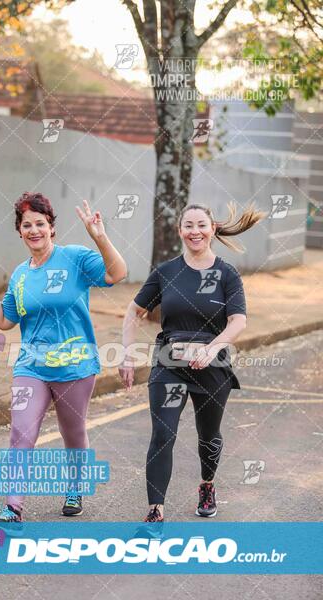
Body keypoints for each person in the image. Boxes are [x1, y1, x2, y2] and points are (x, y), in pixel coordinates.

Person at [0, 192, 127, 525]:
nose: (34, 230)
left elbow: (117, 273)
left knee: (73, 433)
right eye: (27, 225)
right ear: (19, 231)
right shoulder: (20, 275)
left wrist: (101, 238)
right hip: (31, 366)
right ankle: (13, 507)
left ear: (51, 228)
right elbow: (5, 320)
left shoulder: (76, 259)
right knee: (21, 433)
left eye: (40, 223)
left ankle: (75, 487)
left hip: (74, 366)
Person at [119, 201, 266, 522]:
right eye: (189, 226)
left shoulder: (227, 274)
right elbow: (133, 311)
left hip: (211, 367)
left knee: (208, 435)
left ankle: (207, 484)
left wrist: (212, 349)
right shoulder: (166, 272)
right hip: (169, 364)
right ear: (180, 230)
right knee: (163, 434)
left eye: (201, 225)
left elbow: (238, 321)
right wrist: (126, 353)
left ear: (212, 229)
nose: (195, 232)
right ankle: (155, 510)